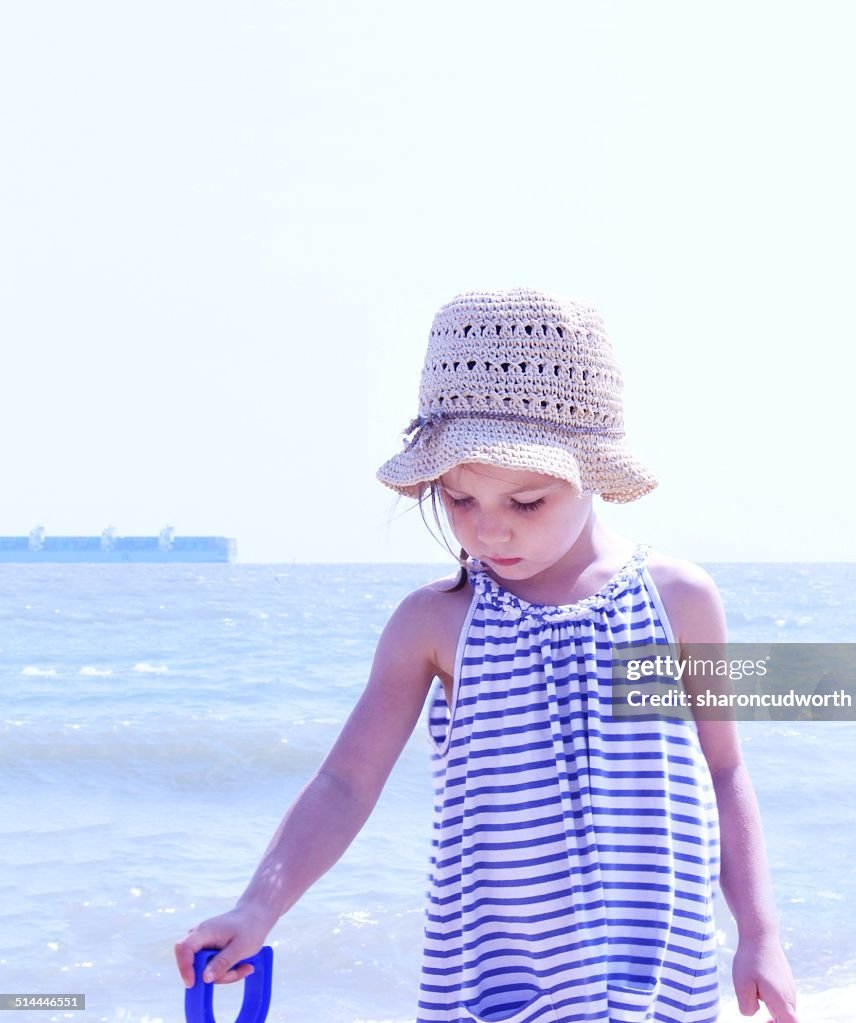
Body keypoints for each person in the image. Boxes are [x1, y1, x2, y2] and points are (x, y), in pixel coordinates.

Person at [174, 288, 799, 1023]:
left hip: (659, 982)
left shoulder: (676, 602)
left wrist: (760, 933)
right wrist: (257, 905)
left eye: (526, 503)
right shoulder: (438, 624)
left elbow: (723, 768)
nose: (487, 532)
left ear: (591, 471)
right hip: (500, 989)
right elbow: (345, 783)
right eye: (458, 499)